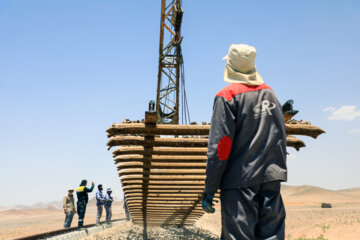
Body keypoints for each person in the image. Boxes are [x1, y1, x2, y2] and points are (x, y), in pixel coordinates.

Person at [202, 44, 287, 240]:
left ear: (230, 66)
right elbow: (279, 136)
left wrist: (210, 189)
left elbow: (221, 148)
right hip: (271, 179)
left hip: (240, 182)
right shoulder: (271, 94)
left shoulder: (227, 96)